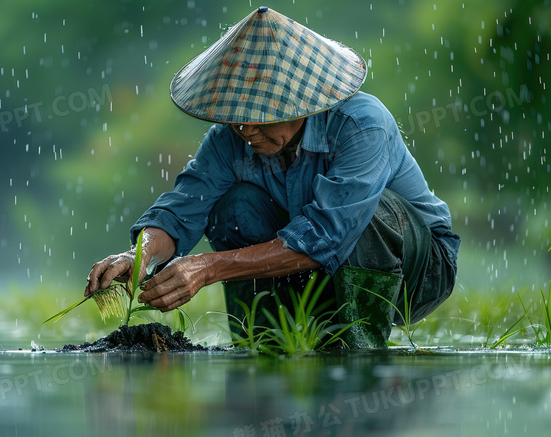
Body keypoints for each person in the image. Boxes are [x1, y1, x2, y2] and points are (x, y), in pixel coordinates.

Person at [84, 7, 459, 348]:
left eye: (260, 115)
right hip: (313, 273)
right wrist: (139, 255)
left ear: (301, 102)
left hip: (416, 271)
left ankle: (355, 349)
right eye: (237, 116)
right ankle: (265, 342)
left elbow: (330, 235)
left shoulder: (361, 125)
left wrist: (208, 268)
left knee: (369, 214)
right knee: (233, 206)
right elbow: (181, 211)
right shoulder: (227, 141)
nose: (245, 129)